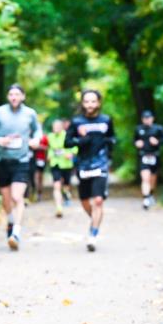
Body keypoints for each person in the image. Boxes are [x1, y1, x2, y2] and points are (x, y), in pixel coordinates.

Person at [0, 84, 42, 251]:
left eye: (17, 94)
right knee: (6, 199)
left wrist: (36, 140)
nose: (14, 97)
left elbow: (38, 131)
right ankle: (10, 220)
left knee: (17, 197)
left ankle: (16, 232)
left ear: (23, 96)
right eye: (11, 94)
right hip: (2, 160)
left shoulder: (30, 113)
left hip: (22, 160)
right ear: (8, 97)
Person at [65, 90, 115, 252]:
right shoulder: (77, 121)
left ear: (99, 103)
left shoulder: (106, 120)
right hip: (83, 165)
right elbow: (67, 142)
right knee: (85, 201)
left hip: (100, 163)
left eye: (93, 101)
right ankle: (95, 220)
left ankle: (93, 234)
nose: (90, 105)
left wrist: (107, 144)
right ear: (82, 103)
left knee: (98, 200)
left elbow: (113, 138)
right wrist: (81, 140)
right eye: (87, 101)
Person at [134, 109, 163, 209]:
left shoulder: (158, 129)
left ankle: (150, 194)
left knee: (153, 179)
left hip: (154, 156)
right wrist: (137, 143)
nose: (147, 120)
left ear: (152, 119)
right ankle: (146, 198)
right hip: (143, 156)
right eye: (145, 118)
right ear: (142, 119)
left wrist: (158, 141)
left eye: (148, 118)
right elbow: (134, 140)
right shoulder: (138, 129)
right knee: (145, 178)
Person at [46, 118, 77, 218]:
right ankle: (59, 207)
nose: (56, 129)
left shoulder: (67, 135)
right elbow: (51, 148)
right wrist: (49, 155)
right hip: (55, 164)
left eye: (58, 127)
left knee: (66, 184)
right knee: (57, 185)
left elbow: (75, 147)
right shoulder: (50, 136)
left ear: (62, 127)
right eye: (54, 127)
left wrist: (71, 154)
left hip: (66, 164)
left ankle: (67, 196)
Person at [30, 130, 49, 203]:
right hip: (33, 160)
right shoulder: (31, 137)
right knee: (35, 176)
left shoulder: (44, 137)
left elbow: (47, 147)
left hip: (42, 160)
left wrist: (39, 147)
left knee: (40, 177)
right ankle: (34, 192)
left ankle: (39, 193)